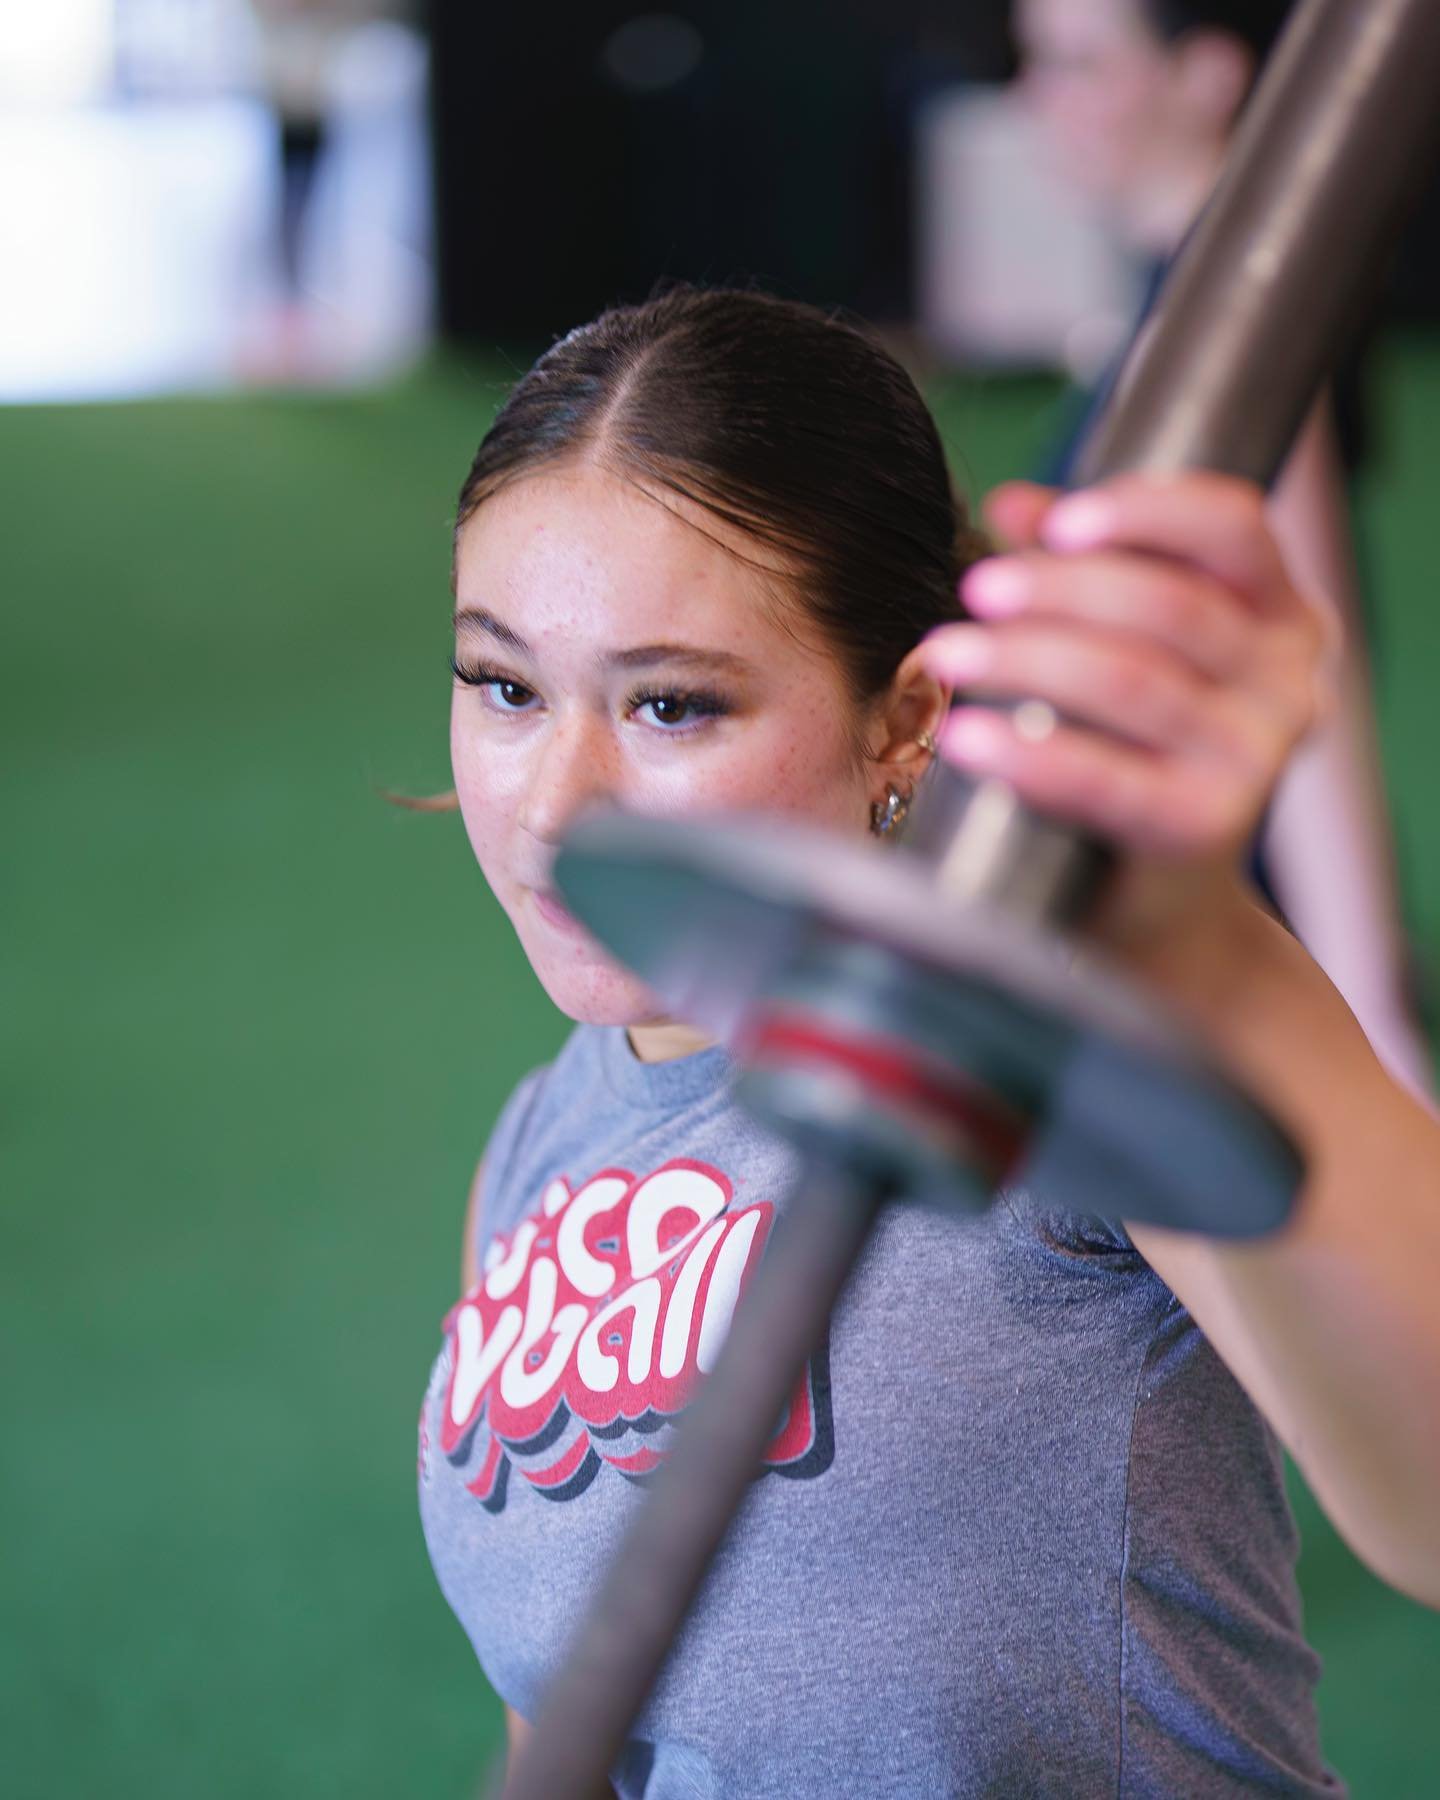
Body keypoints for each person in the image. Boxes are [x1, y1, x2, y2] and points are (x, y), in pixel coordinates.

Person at [416, 287, 1440, 1797]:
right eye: (505, 686)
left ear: (907, 717)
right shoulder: (539, 1150)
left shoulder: (1057, 1047)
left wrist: (1200, 949)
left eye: (672, 706)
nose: (557, 805)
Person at [1014, 0, 1435, 1101]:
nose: (1041, 102)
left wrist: (1369, 1012)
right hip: (1182, 950)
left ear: (1206, 75)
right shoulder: (1200, 312)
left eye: (1079, 66)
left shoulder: (1222, 342)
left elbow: (1311, 662)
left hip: (1231, 959)